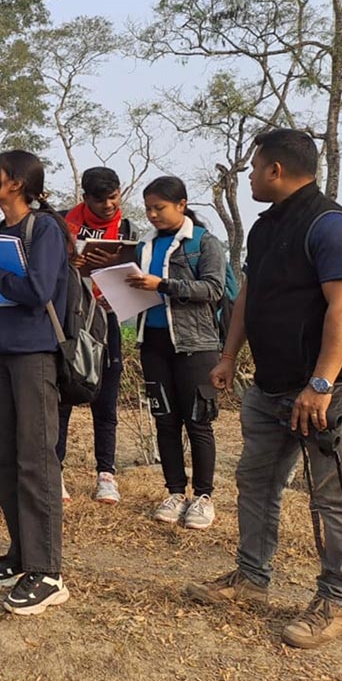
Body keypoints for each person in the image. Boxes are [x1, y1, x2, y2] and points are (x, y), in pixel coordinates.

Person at [186, 129, 342, 650]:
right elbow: (249, 293)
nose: (247, 176)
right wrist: (228, 356)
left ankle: (337, 600)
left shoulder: (331, 225)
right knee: (256, 481)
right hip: (270, 386)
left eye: (253, 168)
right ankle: (251, 578)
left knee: (334, 496)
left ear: (275, 170)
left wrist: (321, 383)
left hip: (325, 390)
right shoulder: (267, 228)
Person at [0, 150, 71, 615]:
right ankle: (21, 550)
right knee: (2, 458)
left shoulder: (44, 229)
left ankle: (48, 572)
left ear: (16, 183)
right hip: (0, 354)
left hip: (35, 356)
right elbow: (2, 295)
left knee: (36, 460)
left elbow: (38, 291)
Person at [124, 176, 226, 529]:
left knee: (198, 421)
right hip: (152, 344)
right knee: (164, 420)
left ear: (181, 204)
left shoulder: (204, 243)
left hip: (195, 345)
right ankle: (174, 491)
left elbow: (212, 289)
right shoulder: (144, 247)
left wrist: (164, 285)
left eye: (160, 208)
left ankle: (203, 496)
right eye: (148, 208)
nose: (152, 214)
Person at [59, 167, 134, 505]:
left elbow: (134, 280)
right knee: (63, 394)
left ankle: (106, 474)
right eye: (100, 199)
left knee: (106, 398)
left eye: (114, 196)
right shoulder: (62, 223)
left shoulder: (127, 230)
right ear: (85, 198)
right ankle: (55, 469)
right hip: (71, 319)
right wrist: (69, 263)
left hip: (109, 317)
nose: (109, 204)